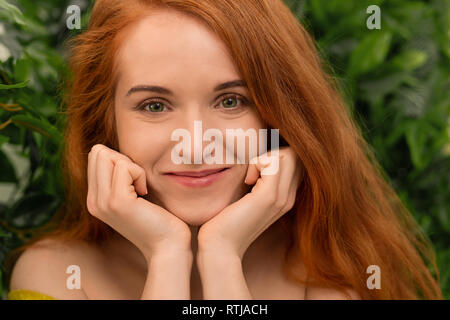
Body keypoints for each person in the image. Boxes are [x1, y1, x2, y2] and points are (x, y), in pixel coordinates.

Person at [6, 0, 442, 300]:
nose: (195, 145)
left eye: (231, 101)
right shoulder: (56, 277)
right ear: (108, 125)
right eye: (154, 106)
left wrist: (220, 258)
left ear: (279, 115)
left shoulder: (327, 272)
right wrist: (167, 255)